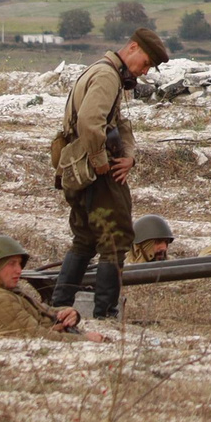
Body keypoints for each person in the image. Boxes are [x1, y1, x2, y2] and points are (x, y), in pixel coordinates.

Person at [48, 27, 167, 321]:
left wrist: (129, 156)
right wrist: (102, 160)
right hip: (95, 172)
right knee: (116, 240)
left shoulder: (105, 72)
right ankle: (104, 313)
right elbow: (91, 122)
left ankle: (58, 306)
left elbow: (118, 122)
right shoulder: (107, 76)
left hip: (80, 170)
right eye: (146, 63)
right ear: (132, 48)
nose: (144, 70)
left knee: (86, 239)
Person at [0, 234, 85, 338]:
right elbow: (37, 336)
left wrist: (70, 313)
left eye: (19, 264)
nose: (19, 270)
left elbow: (44, 311)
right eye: (11, 264)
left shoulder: (6, 292)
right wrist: (87, 339)